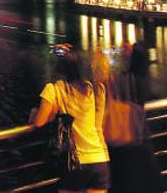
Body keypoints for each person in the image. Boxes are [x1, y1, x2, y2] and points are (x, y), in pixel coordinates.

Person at [30, 50, 110, 193]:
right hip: (99, 160)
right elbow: (98, 124)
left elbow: (39, 122)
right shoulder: (93, 89)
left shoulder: (55, 89)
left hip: (75, 163)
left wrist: (35, 113)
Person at [105, 42, 161, 193]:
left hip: (122, 143)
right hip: (140, 141)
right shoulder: (143, 82)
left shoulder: (123, 80)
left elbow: (104, 83)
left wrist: (114, 56)